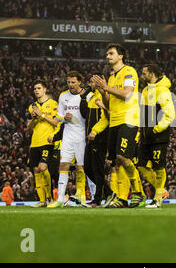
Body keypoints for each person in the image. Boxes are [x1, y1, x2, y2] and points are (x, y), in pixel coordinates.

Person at [92, 43, 143, 208]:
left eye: (111, 53)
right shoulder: (112, 76)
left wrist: (106, 87)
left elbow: (128, 94)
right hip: (114, 121)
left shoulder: (129, 72)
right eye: (106, 54)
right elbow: (110, 102)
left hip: (128, 119)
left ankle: (138, 192)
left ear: (120, 56)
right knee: (117, 162)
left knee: (123, 157)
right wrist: (102, 91)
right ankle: (122, 198)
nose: (108, 56)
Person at [47, 71, 87, 208]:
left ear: (80, 82)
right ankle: (59, 199)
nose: (70, 85)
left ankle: (82, 197)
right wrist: (64, 117)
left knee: (80, 167)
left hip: (82, 136)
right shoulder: (63, 96)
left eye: (73, 82)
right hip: (67, 136)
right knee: (63, 165)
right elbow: (57, 116)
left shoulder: (86, 95)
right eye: (69, 82)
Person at [138, 64, 175, 208]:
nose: (142, 76)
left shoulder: (163, 91)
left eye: (144, 73)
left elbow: (170, 114)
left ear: (152, 74)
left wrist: (156, 129)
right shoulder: (146, 90)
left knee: (159, 166)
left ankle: (157, 199)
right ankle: (162, 190)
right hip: (146, 136)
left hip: (158, 136)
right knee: (141, 165)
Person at [79, 73, 116, 207]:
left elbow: (106, 118)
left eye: (93, 82)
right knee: (88, 168)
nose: (90, 85)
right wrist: (82, 98)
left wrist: (95, 131)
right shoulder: (92, 97)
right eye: (90, 82)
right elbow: (84, 114)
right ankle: (108, 192)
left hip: (100, 137)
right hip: (90, 138)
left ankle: (97, 199)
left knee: (97, 169)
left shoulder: (103, 97)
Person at [27, 80, 59, 207]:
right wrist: (34, 118)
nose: (36, 90)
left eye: (39, 88)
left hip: (47, 141)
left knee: (43, 168)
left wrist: (42, 115)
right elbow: (29, 128)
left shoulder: (53, 104)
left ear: (45, 89)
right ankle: (42, 201)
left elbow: (57, 123)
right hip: (35, 142)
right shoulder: (32, 107)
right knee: (36, 170)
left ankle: (50, 197)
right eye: (35, 88)